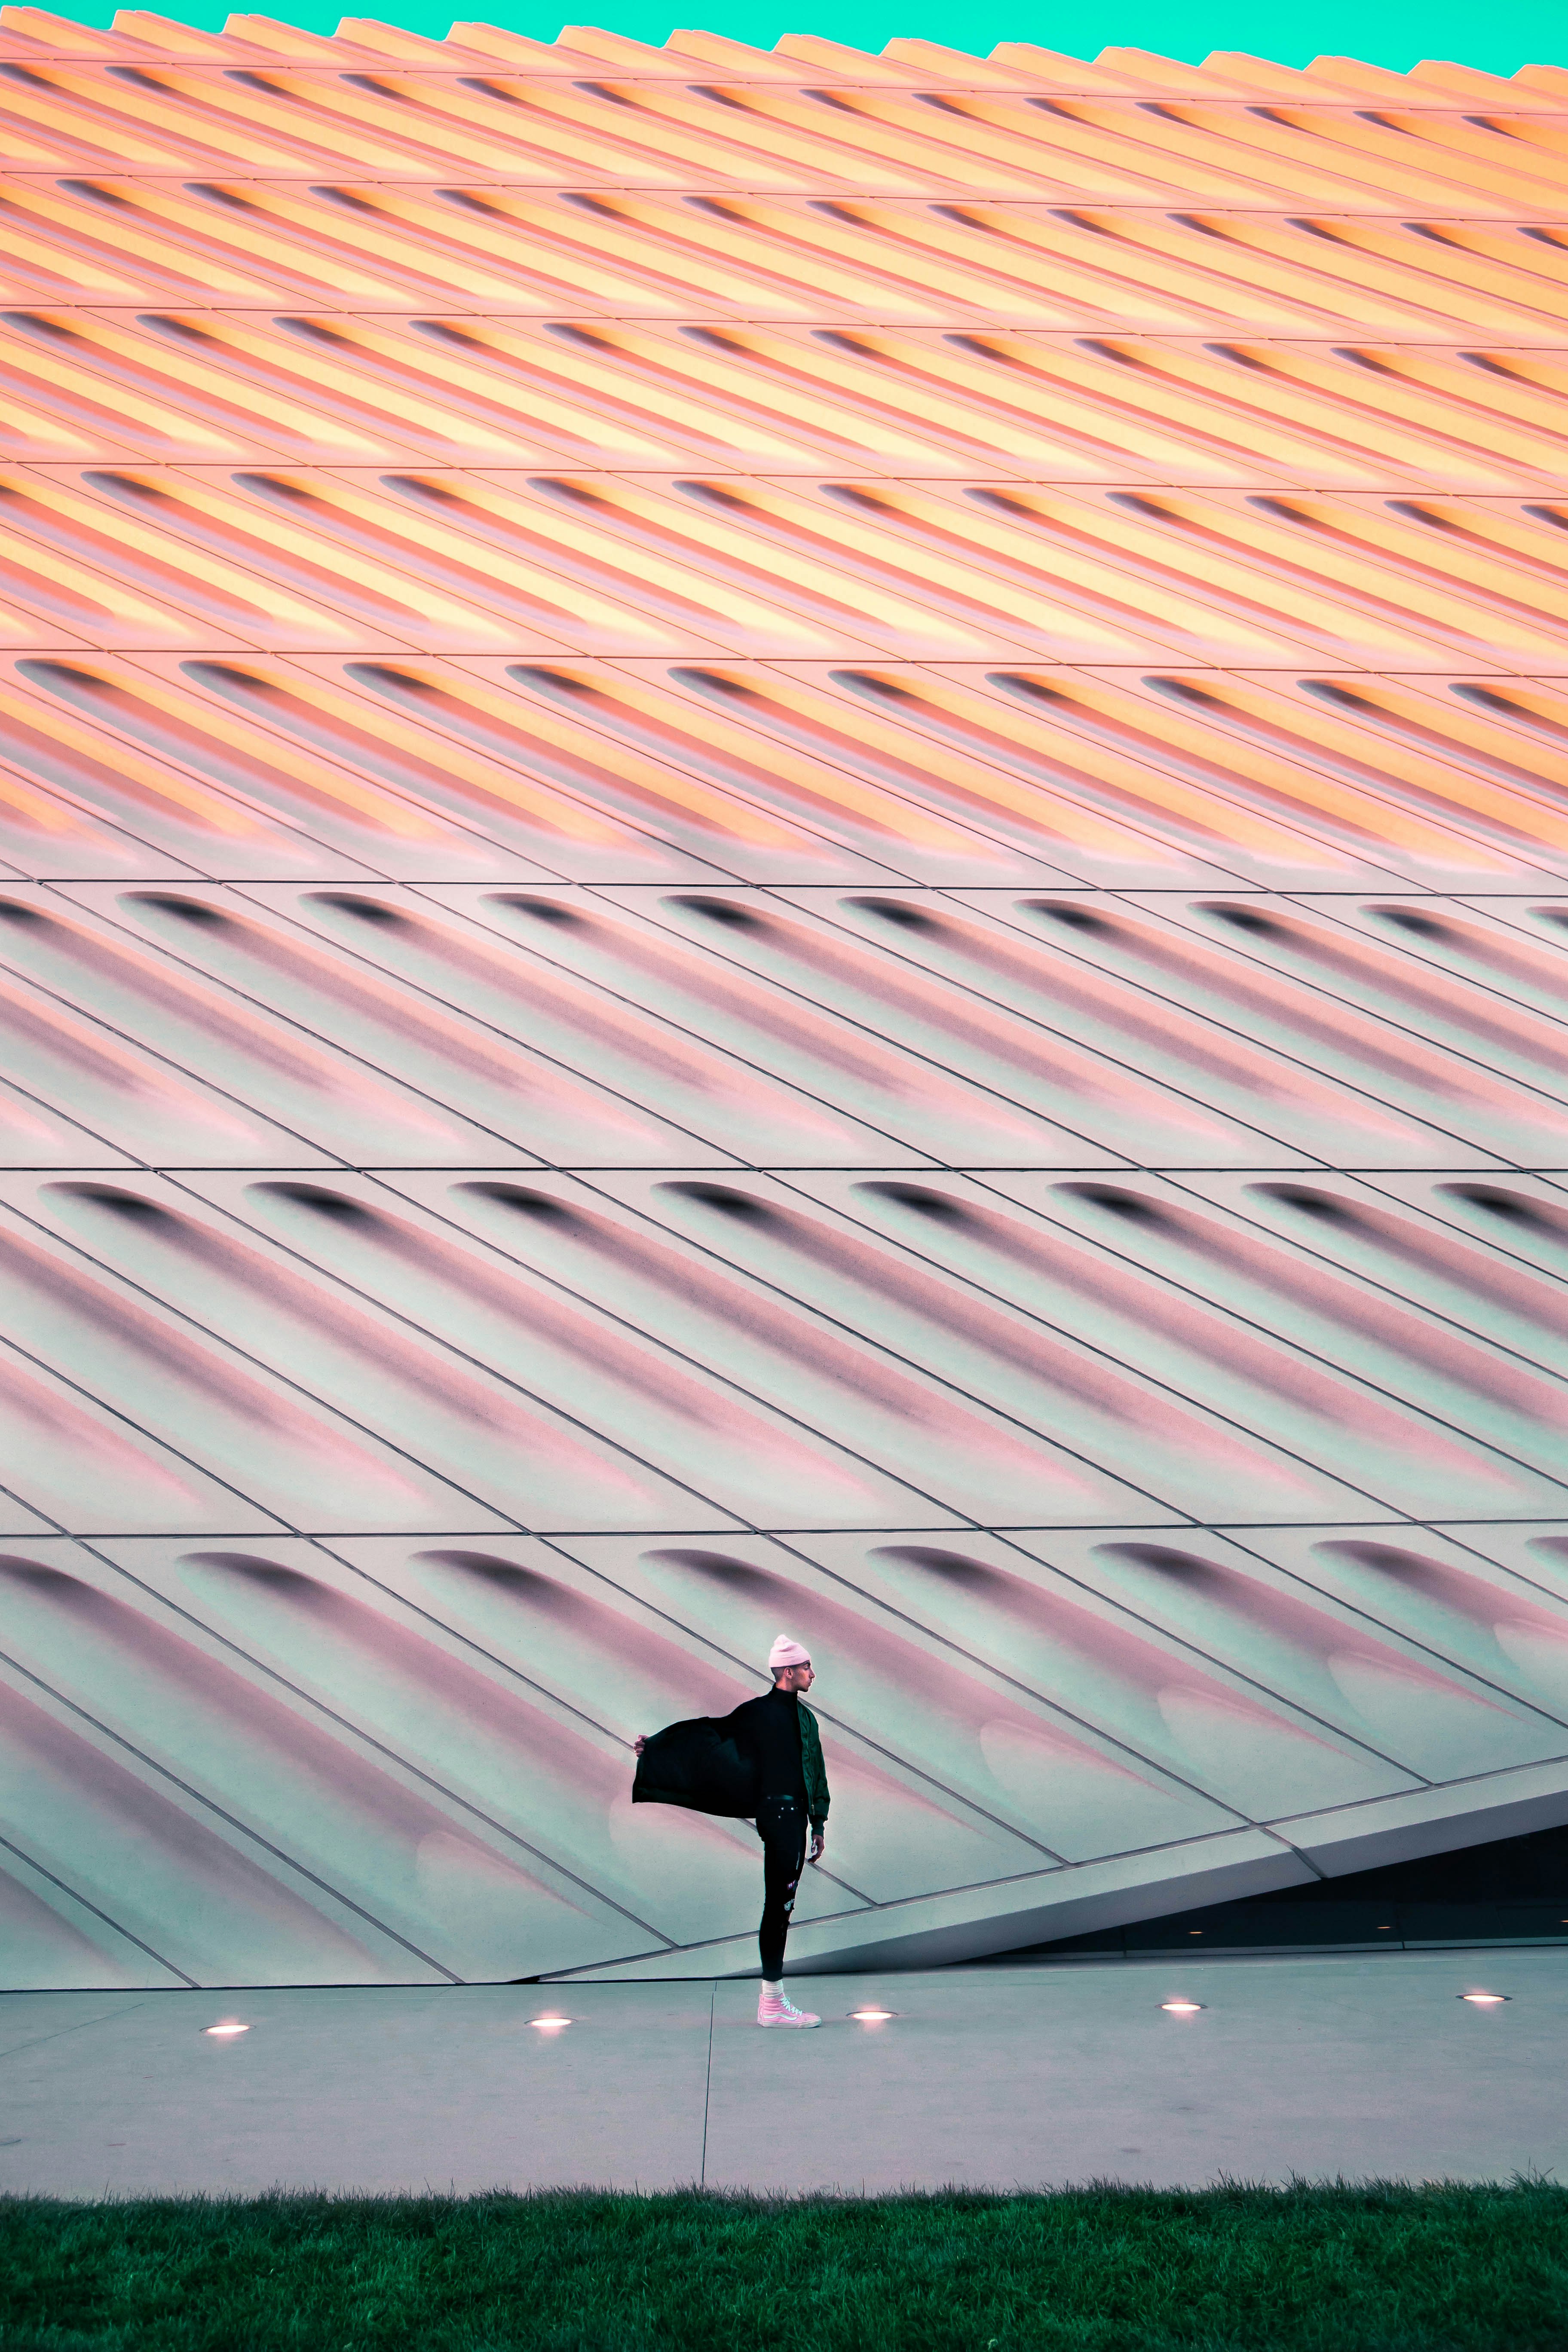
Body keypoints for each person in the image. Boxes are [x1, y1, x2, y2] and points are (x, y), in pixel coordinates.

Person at [632, 1635, 830, 2029]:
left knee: (781, 1906)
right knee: (780, 1907)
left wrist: (819, 1822)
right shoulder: (757, 1713)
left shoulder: (807, 1720)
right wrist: (655, 1748)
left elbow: (817, 1772)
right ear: (788, 1671)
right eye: (807, 1667)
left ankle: (772, 2002)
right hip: (778, 1815)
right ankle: (772, 2004)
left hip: (796, 1819)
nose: (813, 1673)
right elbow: (710, 1733)